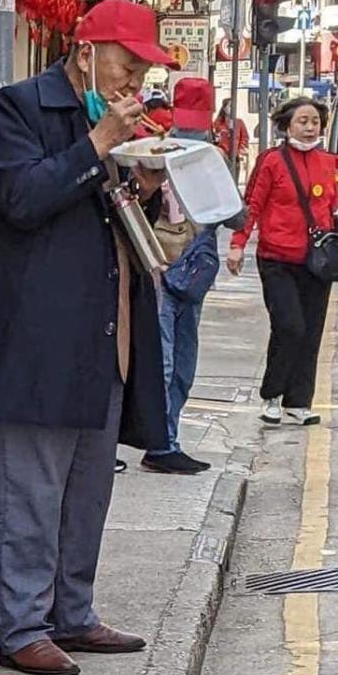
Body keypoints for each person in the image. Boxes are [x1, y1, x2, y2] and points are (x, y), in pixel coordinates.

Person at [0, 0, 174, 675]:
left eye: (143, 72)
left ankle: (73, 611)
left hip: (103, 332)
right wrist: (100, 146)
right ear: (85, 53)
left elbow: (115, 216)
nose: (136, 83)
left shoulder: (113, 123)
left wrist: (149, 182)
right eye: (128, 66)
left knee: (86, 490)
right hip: (33, 337)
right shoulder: (21, 107)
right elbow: (18, 200)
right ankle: (21, 626)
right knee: (30, 493)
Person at [227, 98, 336, 426]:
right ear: (287, 124)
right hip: (276, 258)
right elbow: (252, 205)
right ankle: (272, 395)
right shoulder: (271, 161)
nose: (309, 127)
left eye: (315, 121)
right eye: (303, 121)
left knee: (312, 331)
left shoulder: (331, 162)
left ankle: (299, 402)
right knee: (289, 325)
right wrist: (237, 244)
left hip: (318, 261)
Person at [142, 77, 216, 475]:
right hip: (159, 267)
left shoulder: (212, 158)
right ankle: (160, 442)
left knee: (183, 365)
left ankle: (167, 436)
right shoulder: (154, 153)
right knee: (163, 362)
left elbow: (230, 213)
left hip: (194, 274)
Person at [214, 97, 249, 166]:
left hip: (235, 157)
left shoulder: (239, 122)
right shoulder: (218, 123)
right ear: (224, 108)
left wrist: (239, 152)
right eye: (230, 106)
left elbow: (245, 138)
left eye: (234, 106)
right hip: (221, 156)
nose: (232, 108)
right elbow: (214, 139)